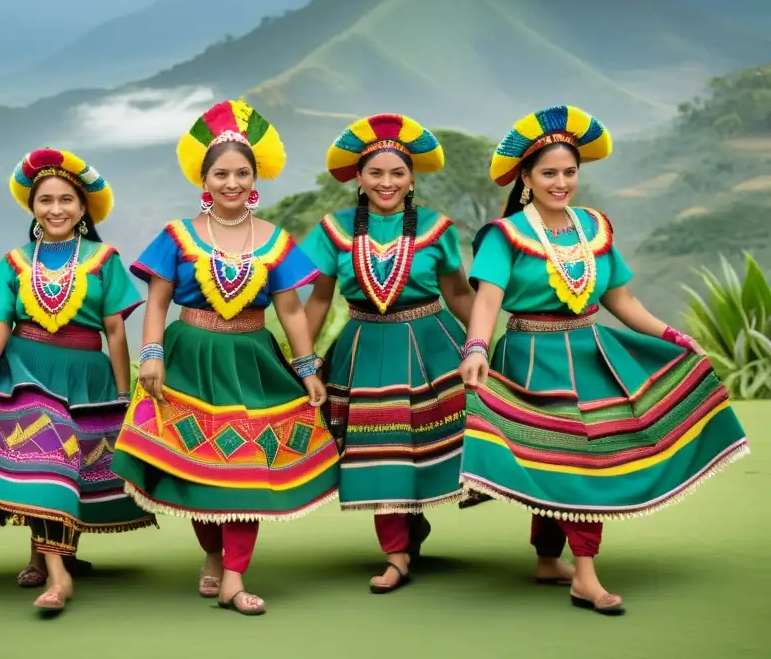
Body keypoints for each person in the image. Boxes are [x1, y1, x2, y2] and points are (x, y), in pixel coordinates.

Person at [458, 105, 750, 616]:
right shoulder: (504, 236)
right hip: (531, 358)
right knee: (572, 459)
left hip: (590, 353)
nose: (561, 182)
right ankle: (583, 577)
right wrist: (478, 349)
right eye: (549, 173)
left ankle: (553, 561)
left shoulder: (594, 227)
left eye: (569, 172)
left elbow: (622, 301)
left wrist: (676, 336)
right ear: (526, 177)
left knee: (578, 457)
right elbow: (486, 301)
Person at [110, 100, 339, 616]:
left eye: (242, 173)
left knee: (246, 467)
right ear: (204, 179)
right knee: (199, 464)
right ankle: (212, 555)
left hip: (253, 362)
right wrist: (152, 355)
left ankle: (235, 575)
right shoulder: (178, 236)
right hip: (190, 355)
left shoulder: (275, 240)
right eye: (221, 173)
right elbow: (158, 301)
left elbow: (292, 312)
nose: (232, 182)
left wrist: (307, 369)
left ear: (255, 178)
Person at [0, 148, 156, 612]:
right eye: (45, 200)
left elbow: (113, 331)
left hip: (85, 374)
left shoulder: (103, 259)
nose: (56, 209)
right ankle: (60, 578)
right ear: (32, 207)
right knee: (45, 457)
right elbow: (0, 321)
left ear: (83, 208)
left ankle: (42, 555)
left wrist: (123, 394)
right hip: (25, 371)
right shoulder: (13, 261)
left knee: (72, 467)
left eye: (67, 199)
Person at [302, 113, 476, 593]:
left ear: (412, 178)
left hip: (433, 344)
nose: (386, 182)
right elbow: (317, 300)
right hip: (365, 347)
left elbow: (460, 294)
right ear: (358, 178)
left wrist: (483, 343)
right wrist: (302, 358)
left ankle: (412, 524)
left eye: (397, 173)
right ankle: (396, 554)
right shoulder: (333, 230)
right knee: (382, 448)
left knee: (423, 445)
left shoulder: (438, 229)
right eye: (375, 173)